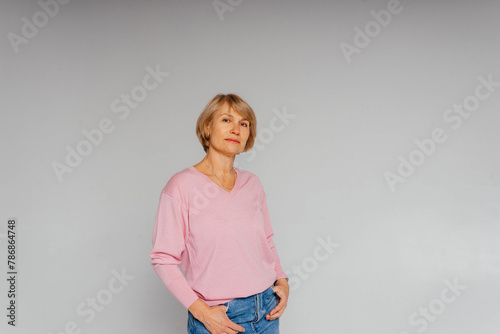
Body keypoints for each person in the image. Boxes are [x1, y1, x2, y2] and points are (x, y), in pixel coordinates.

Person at [149, 93, 289, 334]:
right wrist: (201, 312)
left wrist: (282, 281)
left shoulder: (252, 184)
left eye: (244, 124)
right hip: (219, 316)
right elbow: (163, 258)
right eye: (226, 120)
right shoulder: (181, 186)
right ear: (207, 127)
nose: (236, 129)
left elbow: (266, 240)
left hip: (267, 309)